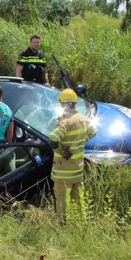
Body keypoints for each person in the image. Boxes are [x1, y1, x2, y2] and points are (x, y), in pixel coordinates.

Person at [48, 88, 97, 224]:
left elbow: (52, 139)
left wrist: (63, 151)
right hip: (77, 169)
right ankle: (82, 224)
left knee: (62, 200)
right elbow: (94, 131)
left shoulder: (65, 122)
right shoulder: (83, 119)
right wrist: (82, 141)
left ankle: (62, 225)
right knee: (78, 199)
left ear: (63, 104)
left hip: (63, 172)